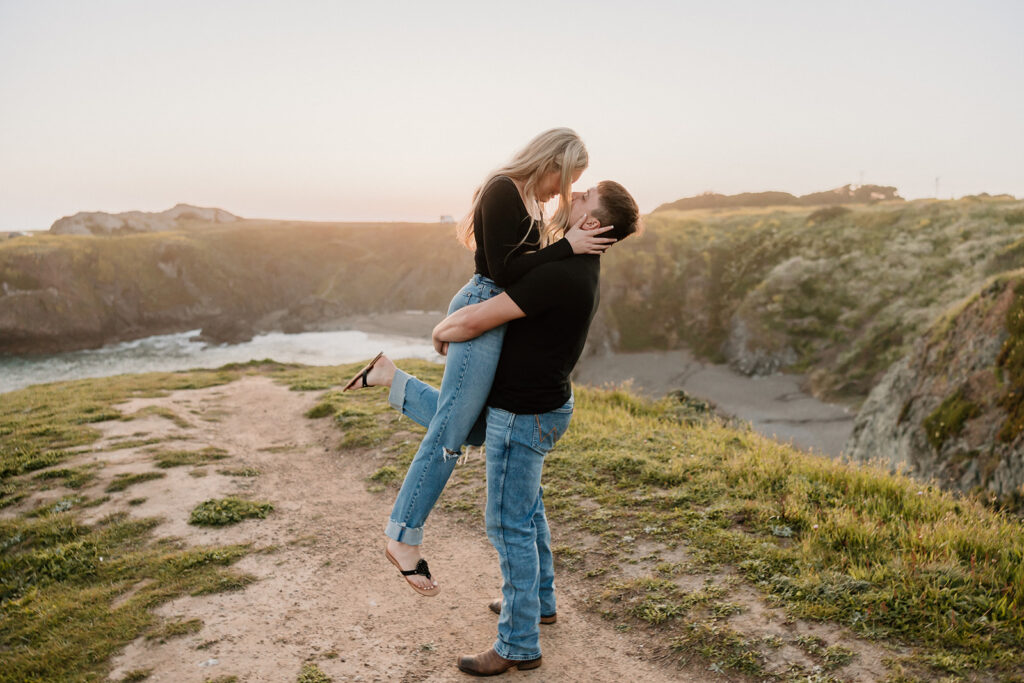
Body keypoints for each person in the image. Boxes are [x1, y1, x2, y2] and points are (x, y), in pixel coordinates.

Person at [353, 181, 641, 676]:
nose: (574, 192)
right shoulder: (579, 266)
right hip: (545, 409)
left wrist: (441, 331)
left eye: (585, 196)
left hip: (522, 416)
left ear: (591, 225)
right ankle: (540, 604)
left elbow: (475, 321)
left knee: (508, 526)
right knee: (524, 509)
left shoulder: (562, 274)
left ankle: (518, 644)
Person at [342, 128, 615, 596]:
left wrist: (566, 247)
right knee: (452, 431)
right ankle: (402, 536)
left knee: (477, 429)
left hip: (498, 313)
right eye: (567, 179)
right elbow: (506, 271)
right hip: (484, 306)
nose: (564, 191)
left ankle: (390, 378)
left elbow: (529, 272)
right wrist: (567, 247)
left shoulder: (530, 199)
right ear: (551, 163)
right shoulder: (502, 189)